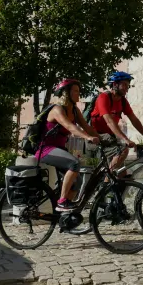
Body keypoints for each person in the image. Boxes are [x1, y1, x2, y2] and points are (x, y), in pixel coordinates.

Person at [36, 78, 99, 211]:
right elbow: (70, 127)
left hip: (59, 149)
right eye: (75, 91)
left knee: (78, 181)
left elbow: (86, 127)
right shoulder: (57, 110)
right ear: (66, 93)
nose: (78, 94)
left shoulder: (75, 110)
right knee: (74, 164)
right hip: (45, 150)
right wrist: (87, 137)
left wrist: (102, 139)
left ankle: (65, 215)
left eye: (78, 91)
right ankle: (62, 201)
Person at [90, 71, 143, 176]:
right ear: (115, 84)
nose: (127, 88)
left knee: (123, 176)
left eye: (128, 85)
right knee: (123, 150)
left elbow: (134, 120)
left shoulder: (122, 101)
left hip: (110, 136)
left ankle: (114, 186)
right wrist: (125, 139)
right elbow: (109, 121)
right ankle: (107, 181)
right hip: (96, 135)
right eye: (124, 84)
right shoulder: (103, 97)